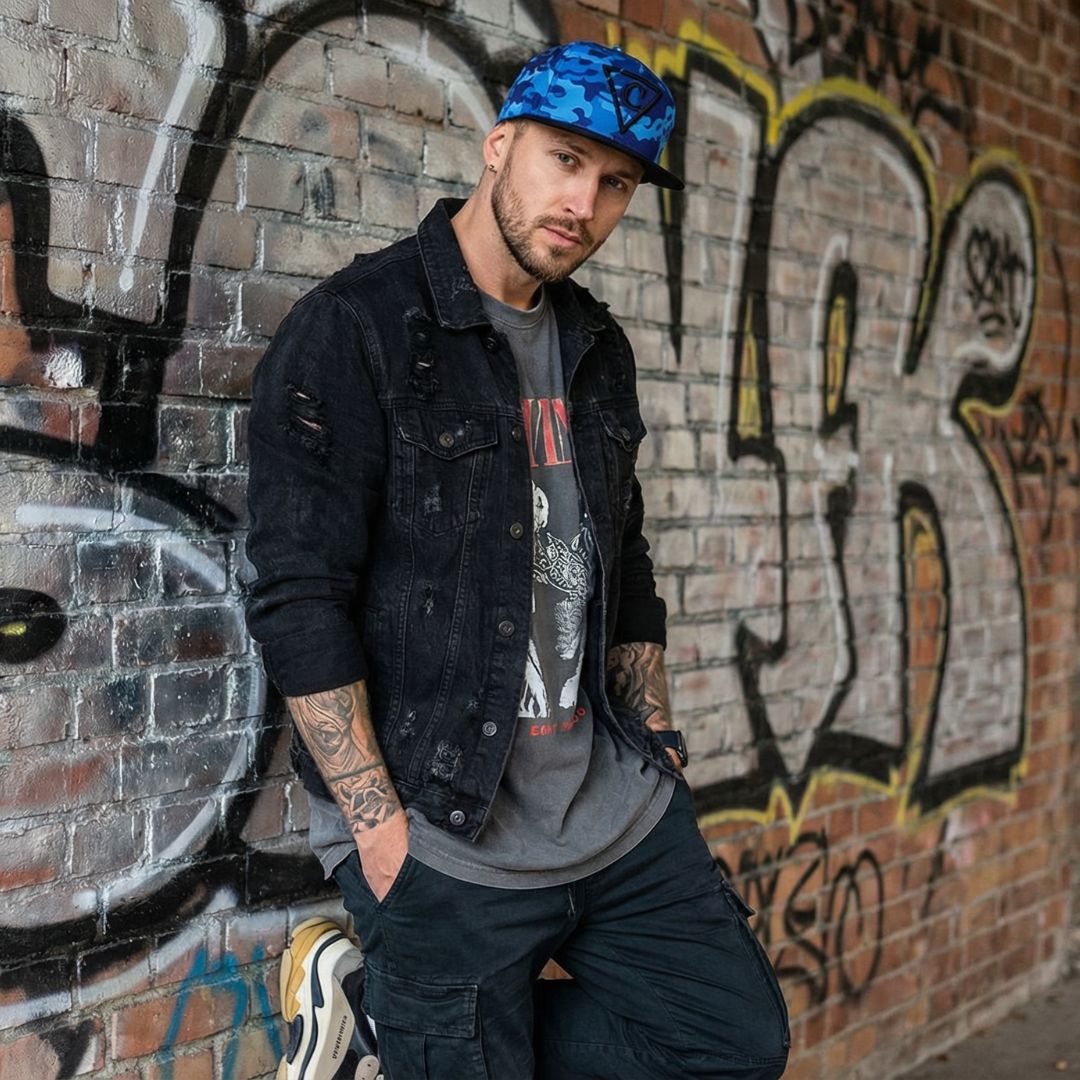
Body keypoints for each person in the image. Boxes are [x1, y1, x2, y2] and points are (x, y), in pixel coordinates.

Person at [246, 40, 789, 1080]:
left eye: (616, 182)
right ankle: (407, 1018)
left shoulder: (597, 348)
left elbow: (621, 554)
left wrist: (655, 737)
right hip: (443, 830)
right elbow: (298, 596)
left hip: (616, 815)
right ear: (499, 147)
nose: (584, 203)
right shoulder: (359, 330)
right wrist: (379, 831)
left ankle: (387, 1020)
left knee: (733, 1047)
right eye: (565, 161)